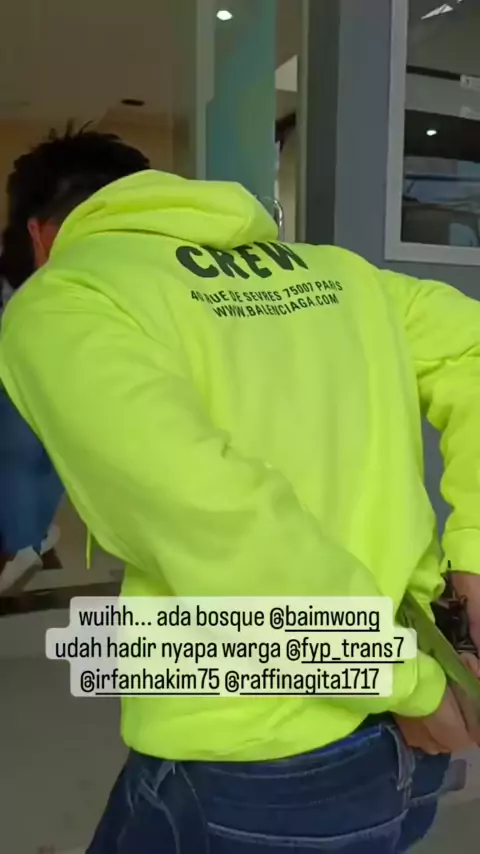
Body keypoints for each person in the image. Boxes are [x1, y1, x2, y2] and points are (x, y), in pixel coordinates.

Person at [0, 128, 480, 854]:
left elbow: (211, 514)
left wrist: (401, 680)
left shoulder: (70, 299)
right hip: (404, 732)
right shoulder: (340, 276)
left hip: (262, 749)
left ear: (40, 234)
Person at [0, 275, 64, 593]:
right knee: (45, 461)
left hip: (14, 380)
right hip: (51, 381)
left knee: (16, 464)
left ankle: (23, 545)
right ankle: (35, 537)